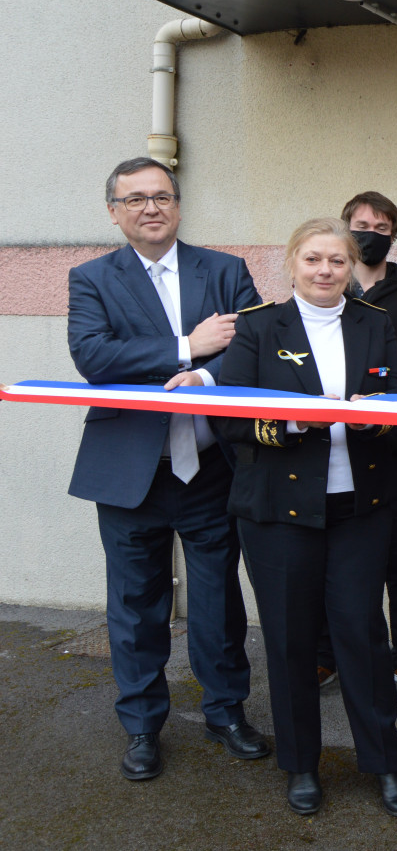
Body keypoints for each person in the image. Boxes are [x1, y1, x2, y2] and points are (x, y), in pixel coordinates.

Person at [68, 156, 267, 781]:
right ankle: (142, 726)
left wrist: (206, 369)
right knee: (134, 607)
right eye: (136, 199)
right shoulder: (92, 278)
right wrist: (187, 345)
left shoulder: (225, 270)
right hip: (131, 472)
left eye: (161, 196)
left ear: (178, 205)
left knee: (217, 601)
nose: (150, 207)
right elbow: (93, 357)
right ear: (114, 212)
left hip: (212, 468)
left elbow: (253, 349)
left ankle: (226, 711)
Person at [216, 218, 397, 817]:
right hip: (277, 512)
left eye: (337, 260)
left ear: (352, 266)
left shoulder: (374, 324)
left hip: (359, 508)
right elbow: (228, 415)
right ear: (292, 264)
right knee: (289, 639)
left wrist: (370, 416)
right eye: (313, 259)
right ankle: (301, 765)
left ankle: (384, 763)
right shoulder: (255, 326)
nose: (325, 270)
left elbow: (396, 402)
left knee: (362, 636)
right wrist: (297, 422)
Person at [313, 192, 397, 698]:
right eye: (360, 224)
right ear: (344, 228)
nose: (370, 232)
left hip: (392, 452)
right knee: (334, 561)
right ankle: (330, 655)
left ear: (394, 235)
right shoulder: (324, 293)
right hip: (330, 454)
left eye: (382, 226)